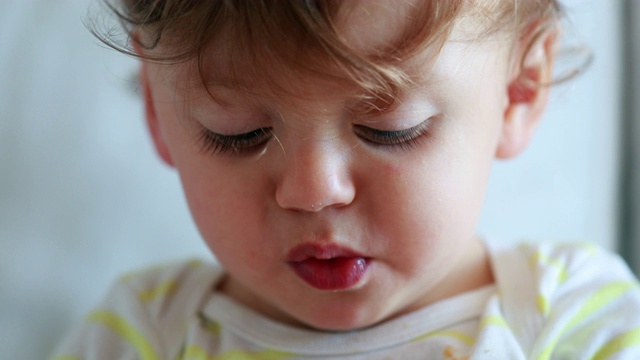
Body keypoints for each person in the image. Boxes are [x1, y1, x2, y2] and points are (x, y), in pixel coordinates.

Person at [52, 0, 640, 359]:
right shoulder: (142, 332)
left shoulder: (570, 317)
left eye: (390, 129)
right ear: (157, 109)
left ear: (518, 91)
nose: (312, 193)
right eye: (238, 135)